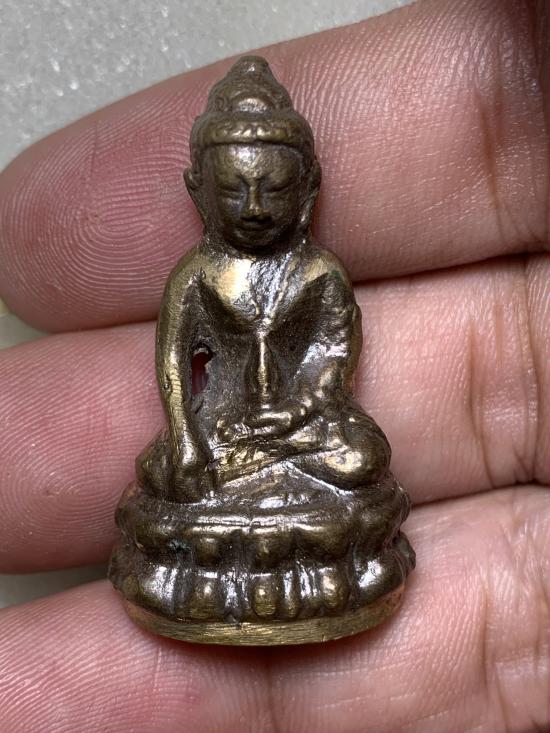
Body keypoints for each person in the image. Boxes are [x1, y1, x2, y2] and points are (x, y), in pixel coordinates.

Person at [0, 0, 548, 729]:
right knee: (167, 473)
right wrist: (189, 438)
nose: (255, 206)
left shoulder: (318, 272)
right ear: (199, 192)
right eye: (235, 189)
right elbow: (175, 366)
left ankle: (242, 560)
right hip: (224, 430)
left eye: (274, 188)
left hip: (301, 426)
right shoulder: (197, 276)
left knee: (360, 457)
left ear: (308, 189)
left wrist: (302, 409)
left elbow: (333, 353)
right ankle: (269, 552)